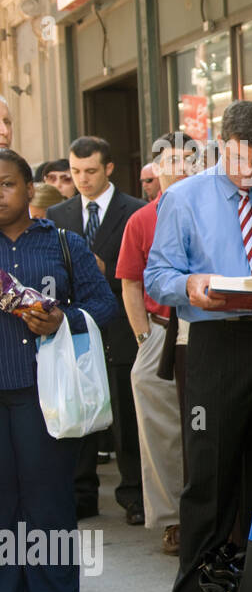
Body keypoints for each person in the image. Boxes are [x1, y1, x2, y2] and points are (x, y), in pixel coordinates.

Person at [145, 101, 252, 592]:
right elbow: (157, 275)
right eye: (237, 156)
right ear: (219, 143)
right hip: (213, 344)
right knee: (209, 480)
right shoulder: (184, 198)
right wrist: (193, 285)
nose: (248, 169)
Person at [0, 149, 116, 592]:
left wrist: (62, 318)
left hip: (44, 395)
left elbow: (104, 304)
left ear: (30, 190)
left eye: (5, 184)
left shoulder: (64, 244)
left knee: (49, 504)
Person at [47, 137, 145, 524]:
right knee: (78, 407)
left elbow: (141, 273)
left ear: (108, 169)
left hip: (122, 325)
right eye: (75, 172)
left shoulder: (134, 211)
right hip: (75, 329)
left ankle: (134, 495)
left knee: (126, 413)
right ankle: (80, 492)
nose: (82, 179)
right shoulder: (58, 214)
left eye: (90, 171)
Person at [116, 134, 191, 556]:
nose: (178, 168)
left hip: (203, 326)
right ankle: (172, 519)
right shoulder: (141, 220)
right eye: (169, 161)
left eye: (186, 160)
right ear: (155, 170)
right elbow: (129, 282)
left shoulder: (209, 212)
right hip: (160, 328)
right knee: (159, 425)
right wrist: (144, 336)